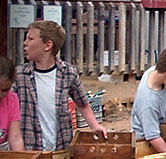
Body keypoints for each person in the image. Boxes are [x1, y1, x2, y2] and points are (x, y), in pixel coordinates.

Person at [14, 20, 108, 151]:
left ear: (48, 45)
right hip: (31, 146)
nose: (25, 43)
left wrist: (95, 125)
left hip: (61, 145)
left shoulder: (68, 72)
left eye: (30, 39)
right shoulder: (19, 75)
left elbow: (82, 102)